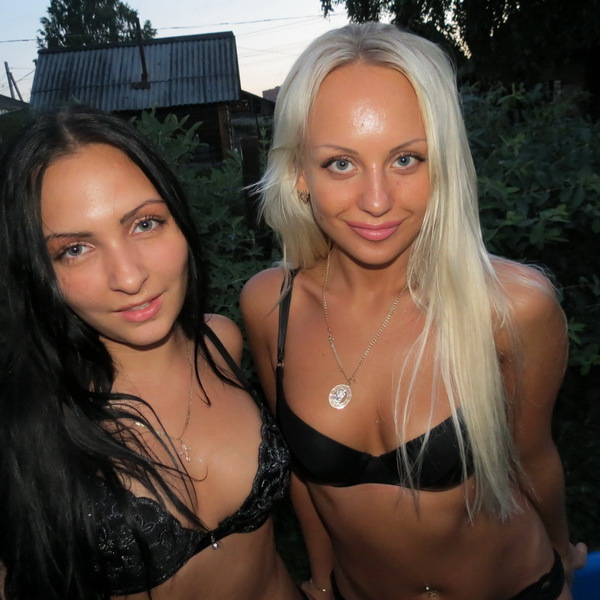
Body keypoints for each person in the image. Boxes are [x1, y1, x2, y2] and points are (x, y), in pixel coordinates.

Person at [241, 22, 587, 600]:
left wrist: (563, 554)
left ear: (443, 164)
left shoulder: (513, 307)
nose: (377, 200)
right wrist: (322, 579)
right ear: (299, 173)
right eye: (341, 164)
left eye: (406, 159)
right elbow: (305, 477)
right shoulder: (270, 307)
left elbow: (534, 456)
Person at [0, 106, 303, 600]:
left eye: (144, 223)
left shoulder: (222, 342)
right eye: (75, 249)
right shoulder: (25, 424)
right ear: (37, 270)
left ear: (178, 218)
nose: (129, 276)